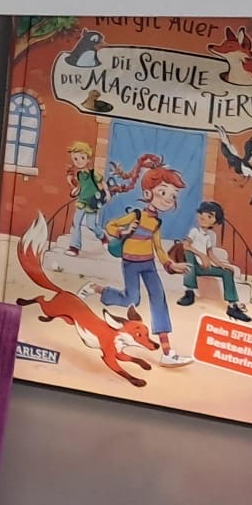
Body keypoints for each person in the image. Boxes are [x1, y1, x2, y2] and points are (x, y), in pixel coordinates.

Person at [80, 154, 194, 367]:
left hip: (148, 264)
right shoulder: (137, 216)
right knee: (131, 299)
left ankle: (167, 353)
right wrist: (125, 230)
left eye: (172, 196)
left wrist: (171, 264)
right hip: (131, 263)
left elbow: (159, 248)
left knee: (158, 299)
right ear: (148, 193)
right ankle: (98, 289)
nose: (168, 199)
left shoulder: (157, 223)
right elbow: (110, 226)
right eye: (163, 193)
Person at [178, 201, 252, 323]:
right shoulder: (194, 231)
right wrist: (202, 255)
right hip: (193, 266)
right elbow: (186, 246)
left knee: (227, 272)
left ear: (215, 222)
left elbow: (211, 254)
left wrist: (222, 265)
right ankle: (189, 292)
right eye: (202, 213)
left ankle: (232, 306)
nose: (203, 217)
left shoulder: (209, 236)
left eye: (209, 216)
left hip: (204, 267)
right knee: (189, 254)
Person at [65, 141, 107, 255]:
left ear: (88, 159)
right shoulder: (78, 175)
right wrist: (71, 185)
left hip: (92, 203)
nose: (78, 161)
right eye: (75, 159)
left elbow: (102, 183)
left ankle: (102, 237)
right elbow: (78, 189)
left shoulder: (93, 174)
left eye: (82, 158)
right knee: (76, 223)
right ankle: (74, 247)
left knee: (91, 225)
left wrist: (107, 193)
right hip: (81, 202)